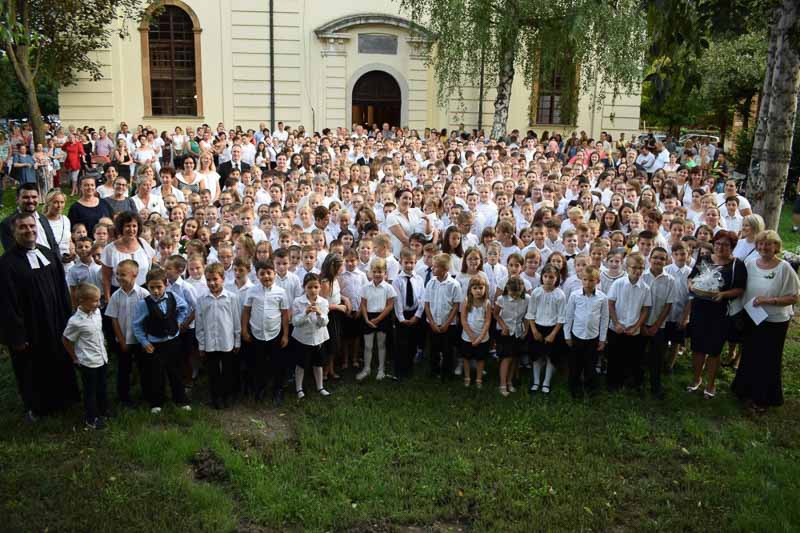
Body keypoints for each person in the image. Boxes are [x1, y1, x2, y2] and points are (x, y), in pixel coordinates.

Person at [0, 211, 80, 420]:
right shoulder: (6, 264)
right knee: (31, 367)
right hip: (30, 326)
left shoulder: (48, 253)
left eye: (32, 226)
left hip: (55, 321)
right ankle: (36, 407)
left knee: (59, 359)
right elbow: (7, 303)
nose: (29, 231)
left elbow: (62, 289)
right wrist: (17, 336)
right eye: (23, 227)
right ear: (14, 232)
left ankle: (64, 400)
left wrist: (68, 319)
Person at [732, 230, 800, 412]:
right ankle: (743, 390)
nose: (763, 247)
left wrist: (769, 300)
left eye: (768, 244)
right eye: (760, 244)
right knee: (749, 354)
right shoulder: (750, 264)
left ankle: (763, 397)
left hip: (774, 321)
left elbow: (794, 297)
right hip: (752, 317)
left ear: (776, 246)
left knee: (768, 359)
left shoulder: (784, 268)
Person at [686, 230, 747, 399]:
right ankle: (696, 378)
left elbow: (740, 289)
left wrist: (723, 294)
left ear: (732, 247)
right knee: (697, 347)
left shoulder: (737, 265)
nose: (720, 247)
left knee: (714, 350)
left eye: (725, 245)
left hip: (720, 312)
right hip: (699, 309)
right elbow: (691, 277)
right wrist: (690, 285)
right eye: (718, 244)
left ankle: (711, 384)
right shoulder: (705, 259)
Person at [132, 267, 192, 414]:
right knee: (156, 374)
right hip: (155, 344)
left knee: (176, 372)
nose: (156, 291)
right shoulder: (143, 304)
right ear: (147, 286)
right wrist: (145, 342)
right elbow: (137, 325)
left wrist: (178, 322)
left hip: (173, 341)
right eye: (152, 287)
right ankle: (157, 402)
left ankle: (180, 399)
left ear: (166, 284)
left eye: (159, 287)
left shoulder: (173, 297)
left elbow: (184, 307)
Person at [242, 259, 290, 405]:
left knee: (277, 364)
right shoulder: (252, 291)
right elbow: (246, 311)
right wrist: (244, 330)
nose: (266, 276)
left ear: (274, 274)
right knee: (258, 364)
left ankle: (278, 390)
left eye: (269, 273)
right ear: (257, 275)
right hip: (257, 334)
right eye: (262, 274)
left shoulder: (281, 292)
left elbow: (285, 314)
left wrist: (285, 335)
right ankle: (260, 389)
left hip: (275, 334)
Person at [196, 262, 242, 410]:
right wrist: (201, 344)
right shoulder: (202, 299)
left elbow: (236, 320)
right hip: (210, 343)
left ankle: (227, 396)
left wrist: (237, 341)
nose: (212, 283)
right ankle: (215, 397)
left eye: (215, 279)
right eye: (208, 280)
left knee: (228, 371)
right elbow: (199, 323)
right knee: (213, 372)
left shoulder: (232, 298)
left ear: (222, 278)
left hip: (227, 342)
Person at [62, 283, 108, 430]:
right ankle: (91, 418)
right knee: (90, 392)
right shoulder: (75, 321)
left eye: (99, 299)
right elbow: (66, 340)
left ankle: (103, 411)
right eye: (95, 301)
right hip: (88, 362)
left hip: (102, 358)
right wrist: (75, 358)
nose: (98, 303)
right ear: (82, 301)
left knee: (102, 387)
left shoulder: (97, 313)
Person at [105, 259, 150, 406]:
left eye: (123, 274)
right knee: (124, 369)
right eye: (117, 274)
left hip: (141, 341)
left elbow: (149, 317)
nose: (119, 277)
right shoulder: (115, 296)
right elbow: (114, 319)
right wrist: (121, 340)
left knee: (144, 368)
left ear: (134, 275)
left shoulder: (143, 294)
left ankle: (147, 394)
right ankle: (124, 397)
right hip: (124, 340)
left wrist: (145, 340)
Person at [607, 252, 652, 393]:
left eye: (641, 268)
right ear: (627, 268)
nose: (637, 271)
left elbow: (645, 310)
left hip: (633, 330)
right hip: (616, 328)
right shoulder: (618, 284)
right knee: (614, 357)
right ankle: (613, 384)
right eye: (634, 267)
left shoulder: (645, 288)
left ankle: (631, 383)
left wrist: (636, 326)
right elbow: (610, 304)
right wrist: (616, 323)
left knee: (633, 357)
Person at [564, 265, 609, 399]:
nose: (587, 283)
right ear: (581, 280)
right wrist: (567, 335)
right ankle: (574, 387)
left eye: (591, 280)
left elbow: (604, 318)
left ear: (597, 281)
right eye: (585, 280)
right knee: (575, 365)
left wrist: (602, 339)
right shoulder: (574, 295)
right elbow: (569, 316)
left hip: (592, 337)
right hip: (577, 336)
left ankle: (590, 388)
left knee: (590, 364)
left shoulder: (602, 298)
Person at [640, 247, 675, 399]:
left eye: (662, 258)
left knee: (657, 357)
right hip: (641, 323)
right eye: (655, 257)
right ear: (650, 259)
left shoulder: (670, 280)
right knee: (639, 354)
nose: (658, 260)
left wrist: (656, 325)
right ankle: (637, 382)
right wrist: (641, 324)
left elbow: (668, 305)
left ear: (666, 261)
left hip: (659, 325)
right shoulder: (642, 276)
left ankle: (656, 386)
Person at [527, 265, 566, 394]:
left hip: (553, 330)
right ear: (542, 277)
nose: (548, 279)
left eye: (551, 277)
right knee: (537, 357)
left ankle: (546, 382)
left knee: (551, 357)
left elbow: (561, 317)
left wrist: (553, 334)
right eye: (546, 276)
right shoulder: (536, 292)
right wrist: (534, 331)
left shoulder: (560, 295)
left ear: (557, 278)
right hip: (537, 328)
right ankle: (536, 381)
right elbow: (531, 313)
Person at [291, 272, 331, 397]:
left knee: (318, 363)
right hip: (302, 338)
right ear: (304, 287)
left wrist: (320, 314)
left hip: (318, 338)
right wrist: (305, 313)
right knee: (301, 364)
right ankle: (299, 388)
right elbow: (295, 322)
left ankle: (320, 387)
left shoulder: (323, 302)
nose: (313, 290)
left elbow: (324, 323)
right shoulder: (298, 302)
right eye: (309, 287)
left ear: (320, 287)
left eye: (316, 287)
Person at [423, 253, 462, 380]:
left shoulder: (454, 285)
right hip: (433, 323)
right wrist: (432, 323)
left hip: (448, 324)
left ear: (445, 269)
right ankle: (434, 371)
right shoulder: (430, 283)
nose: (432, 268)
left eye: (435, 267)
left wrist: (447, 323)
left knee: (448, 349)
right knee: (433, 349)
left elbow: (456, 306)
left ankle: (447, 373)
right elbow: (427, 304)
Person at [101, 212, 155, 302]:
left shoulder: (143, 244)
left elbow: (152, 266)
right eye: (127, 226)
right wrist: (108, 299)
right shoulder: (110, 249)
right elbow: (106, 278)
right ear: (121, 227)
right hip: (119, 295)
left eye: (134, 226)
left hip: (143, 293)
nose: (131, 229)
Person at [357, 257, 396, 381]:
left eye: (380, 272)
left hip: (382, 317)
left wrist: (378, 319)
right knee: (368, 345)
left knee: (381, 344)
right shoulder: (365, 287)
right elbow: (363, 304)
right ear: (370, 272)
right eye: (374, 272)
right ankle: (366, 368)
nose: (377, 274)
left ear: (385, 273)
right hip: (368, 317)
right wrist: (366, 319)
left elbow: (390, 305)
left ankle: (381, 369)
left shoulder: (388, 288)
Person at [392, 248, 424, 381]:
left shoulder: (419, 279)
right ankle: (400, 370)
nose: (409, 265)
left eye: (412, 262)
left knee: (412, 342)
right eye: (406, 262)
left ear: (415, 262)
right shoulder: (397, 280)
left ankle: (410, 369)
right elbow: (397, 300)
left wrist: (417, 316)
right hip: (402, 314)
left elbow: (422, 298)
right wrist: (401, 318)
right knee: (401, 343)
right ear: (401, 262)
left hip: (415, 313)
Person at [494, 276, 529, 396]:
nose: (514, 296)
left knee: (515, 358)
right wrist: (503, 326)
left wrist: (525, 331)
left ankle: (510, 381)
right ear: (507, 289)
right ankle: (502, 384)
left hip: (518, 331)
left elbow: (527, 316)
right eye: (512, 294)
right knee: (506, 357)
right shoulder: (501, 299)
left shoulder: (527, 299)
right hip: (505, 332)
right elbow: (496, 314)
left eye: (517, 294)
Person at [0, 184, 60, 252]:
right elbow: (13, 253)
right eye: (26, 197)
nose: (31, 201)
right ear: (17, 199)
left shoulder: (43, 218)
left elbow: (53, 244)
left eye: (34, 197)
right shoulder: (8, 223)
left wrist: (58, 258)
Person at [460, 275, 492, 388]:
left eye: (481, 288)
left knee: (480, 358)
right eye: (475, 288)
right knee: (466, 357)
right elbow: (463, 320)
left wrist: (480, 338)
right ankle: (467, 377)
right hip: (467, 336)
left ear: (485, 289)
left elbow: (487, 321)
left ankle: (479, 378)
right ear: (470, 290)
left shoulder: (487, 303)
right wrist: (472, 336)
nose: (478, 291)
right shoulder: (466, 301)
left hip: (482, 337)